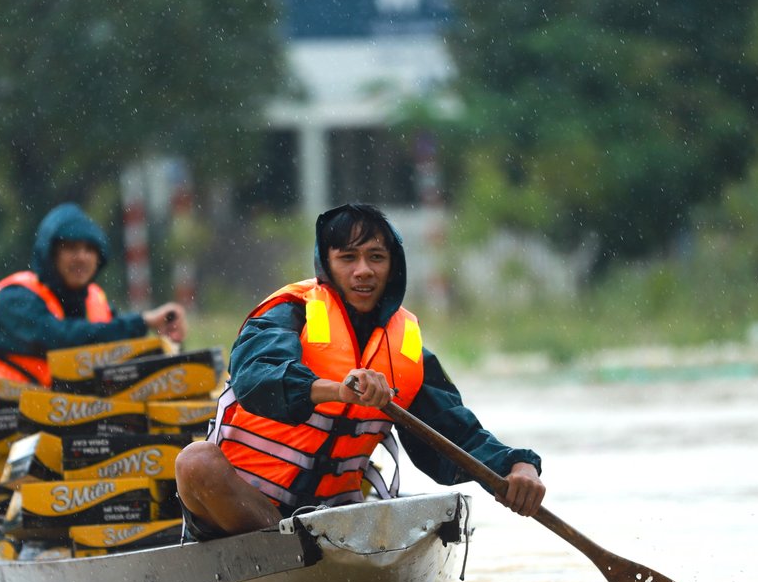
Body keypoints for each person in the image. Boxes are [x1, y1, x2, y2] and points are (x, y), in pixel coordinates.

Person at [174, 203, 545, 539]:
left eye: (376, 257)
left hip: (330, 523)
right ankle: (287, 551)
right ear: (327, 264)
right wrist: (337, 389)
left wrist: (517, 466)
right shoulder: (288, 313)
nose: (363, 271)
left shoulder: (407, 350)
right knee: (195, 462)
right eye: (348, 257)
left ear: (392, 265)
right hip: (239, 509)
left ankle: (307, 555)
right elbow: (256, 379)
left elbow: (455, 435)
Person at [0, 202, 185, 429]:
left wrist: (167, 343)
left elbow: (120, 344)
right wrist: (143, 321)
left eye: (89, 249)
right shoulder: (15, 297)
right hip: (1, 423)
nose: (81, 257)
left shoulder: (95, 298)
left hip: (60, 420)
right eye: (71, 248)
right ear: (50, 254)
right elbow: (62, 339)